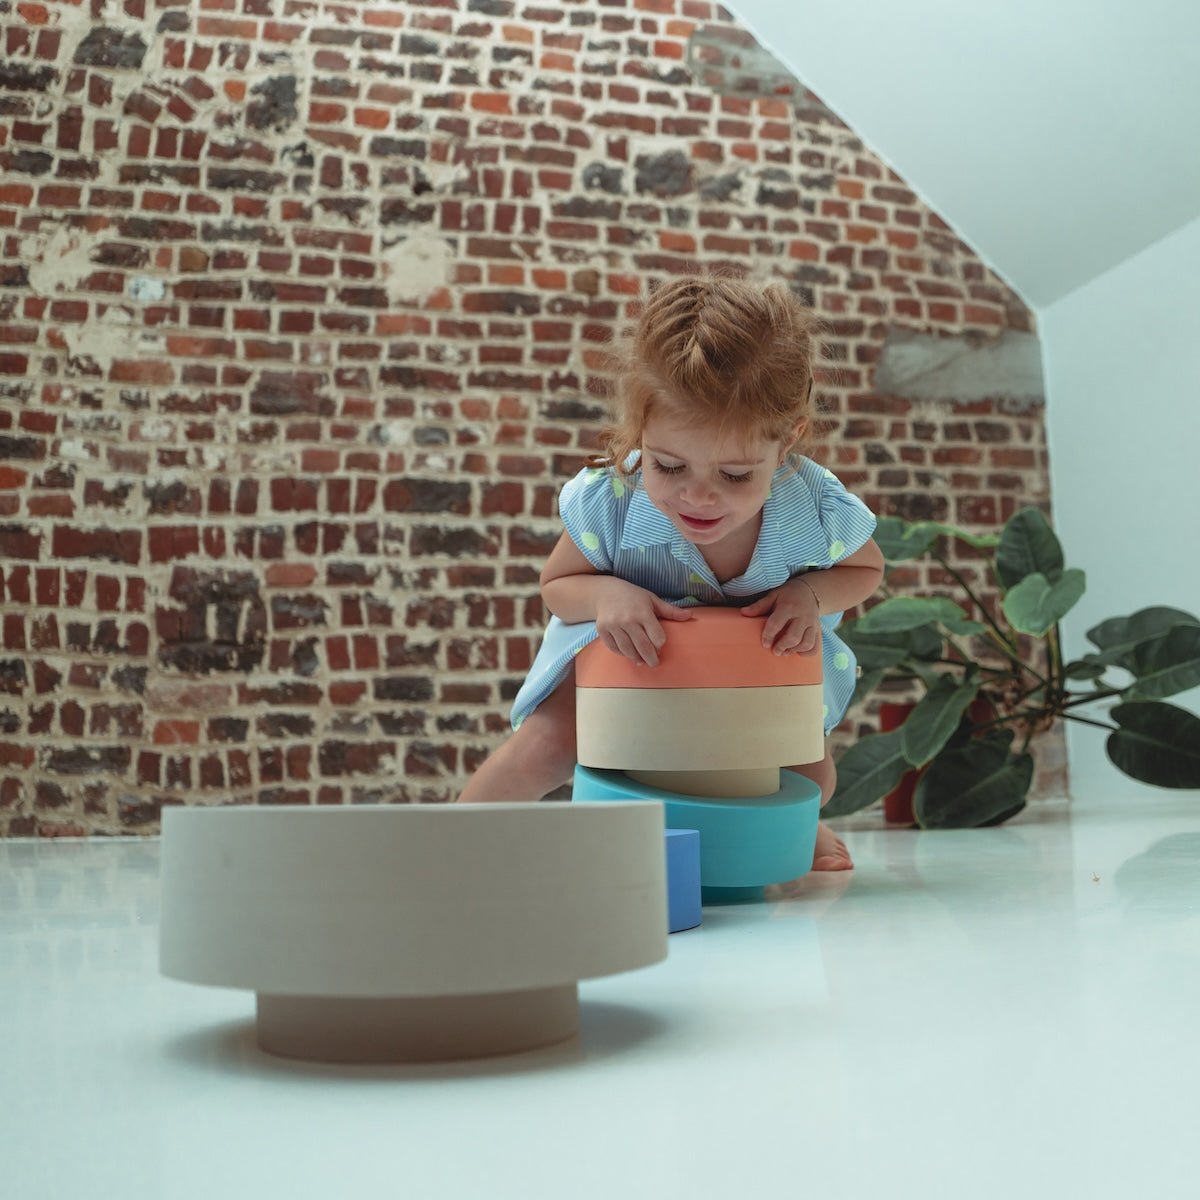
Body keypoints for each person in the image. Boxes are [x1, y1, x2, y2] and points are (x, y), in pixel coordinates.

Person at [458, 276, 884, 871]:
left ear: (787, 441)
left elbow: (865, 569)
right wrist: (607, 593)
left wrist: (809, 592)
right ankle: (450, 845)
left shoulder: (812, 504)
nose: (698, 498)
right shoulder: (615, 495)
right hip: (630, 664)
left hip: (748, 680)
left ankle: (786, 831)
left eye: (735, 475)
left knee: (813, 772)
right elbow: (557, 585)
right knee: (546, 746)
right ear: (640, 433)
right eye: (668, 465)